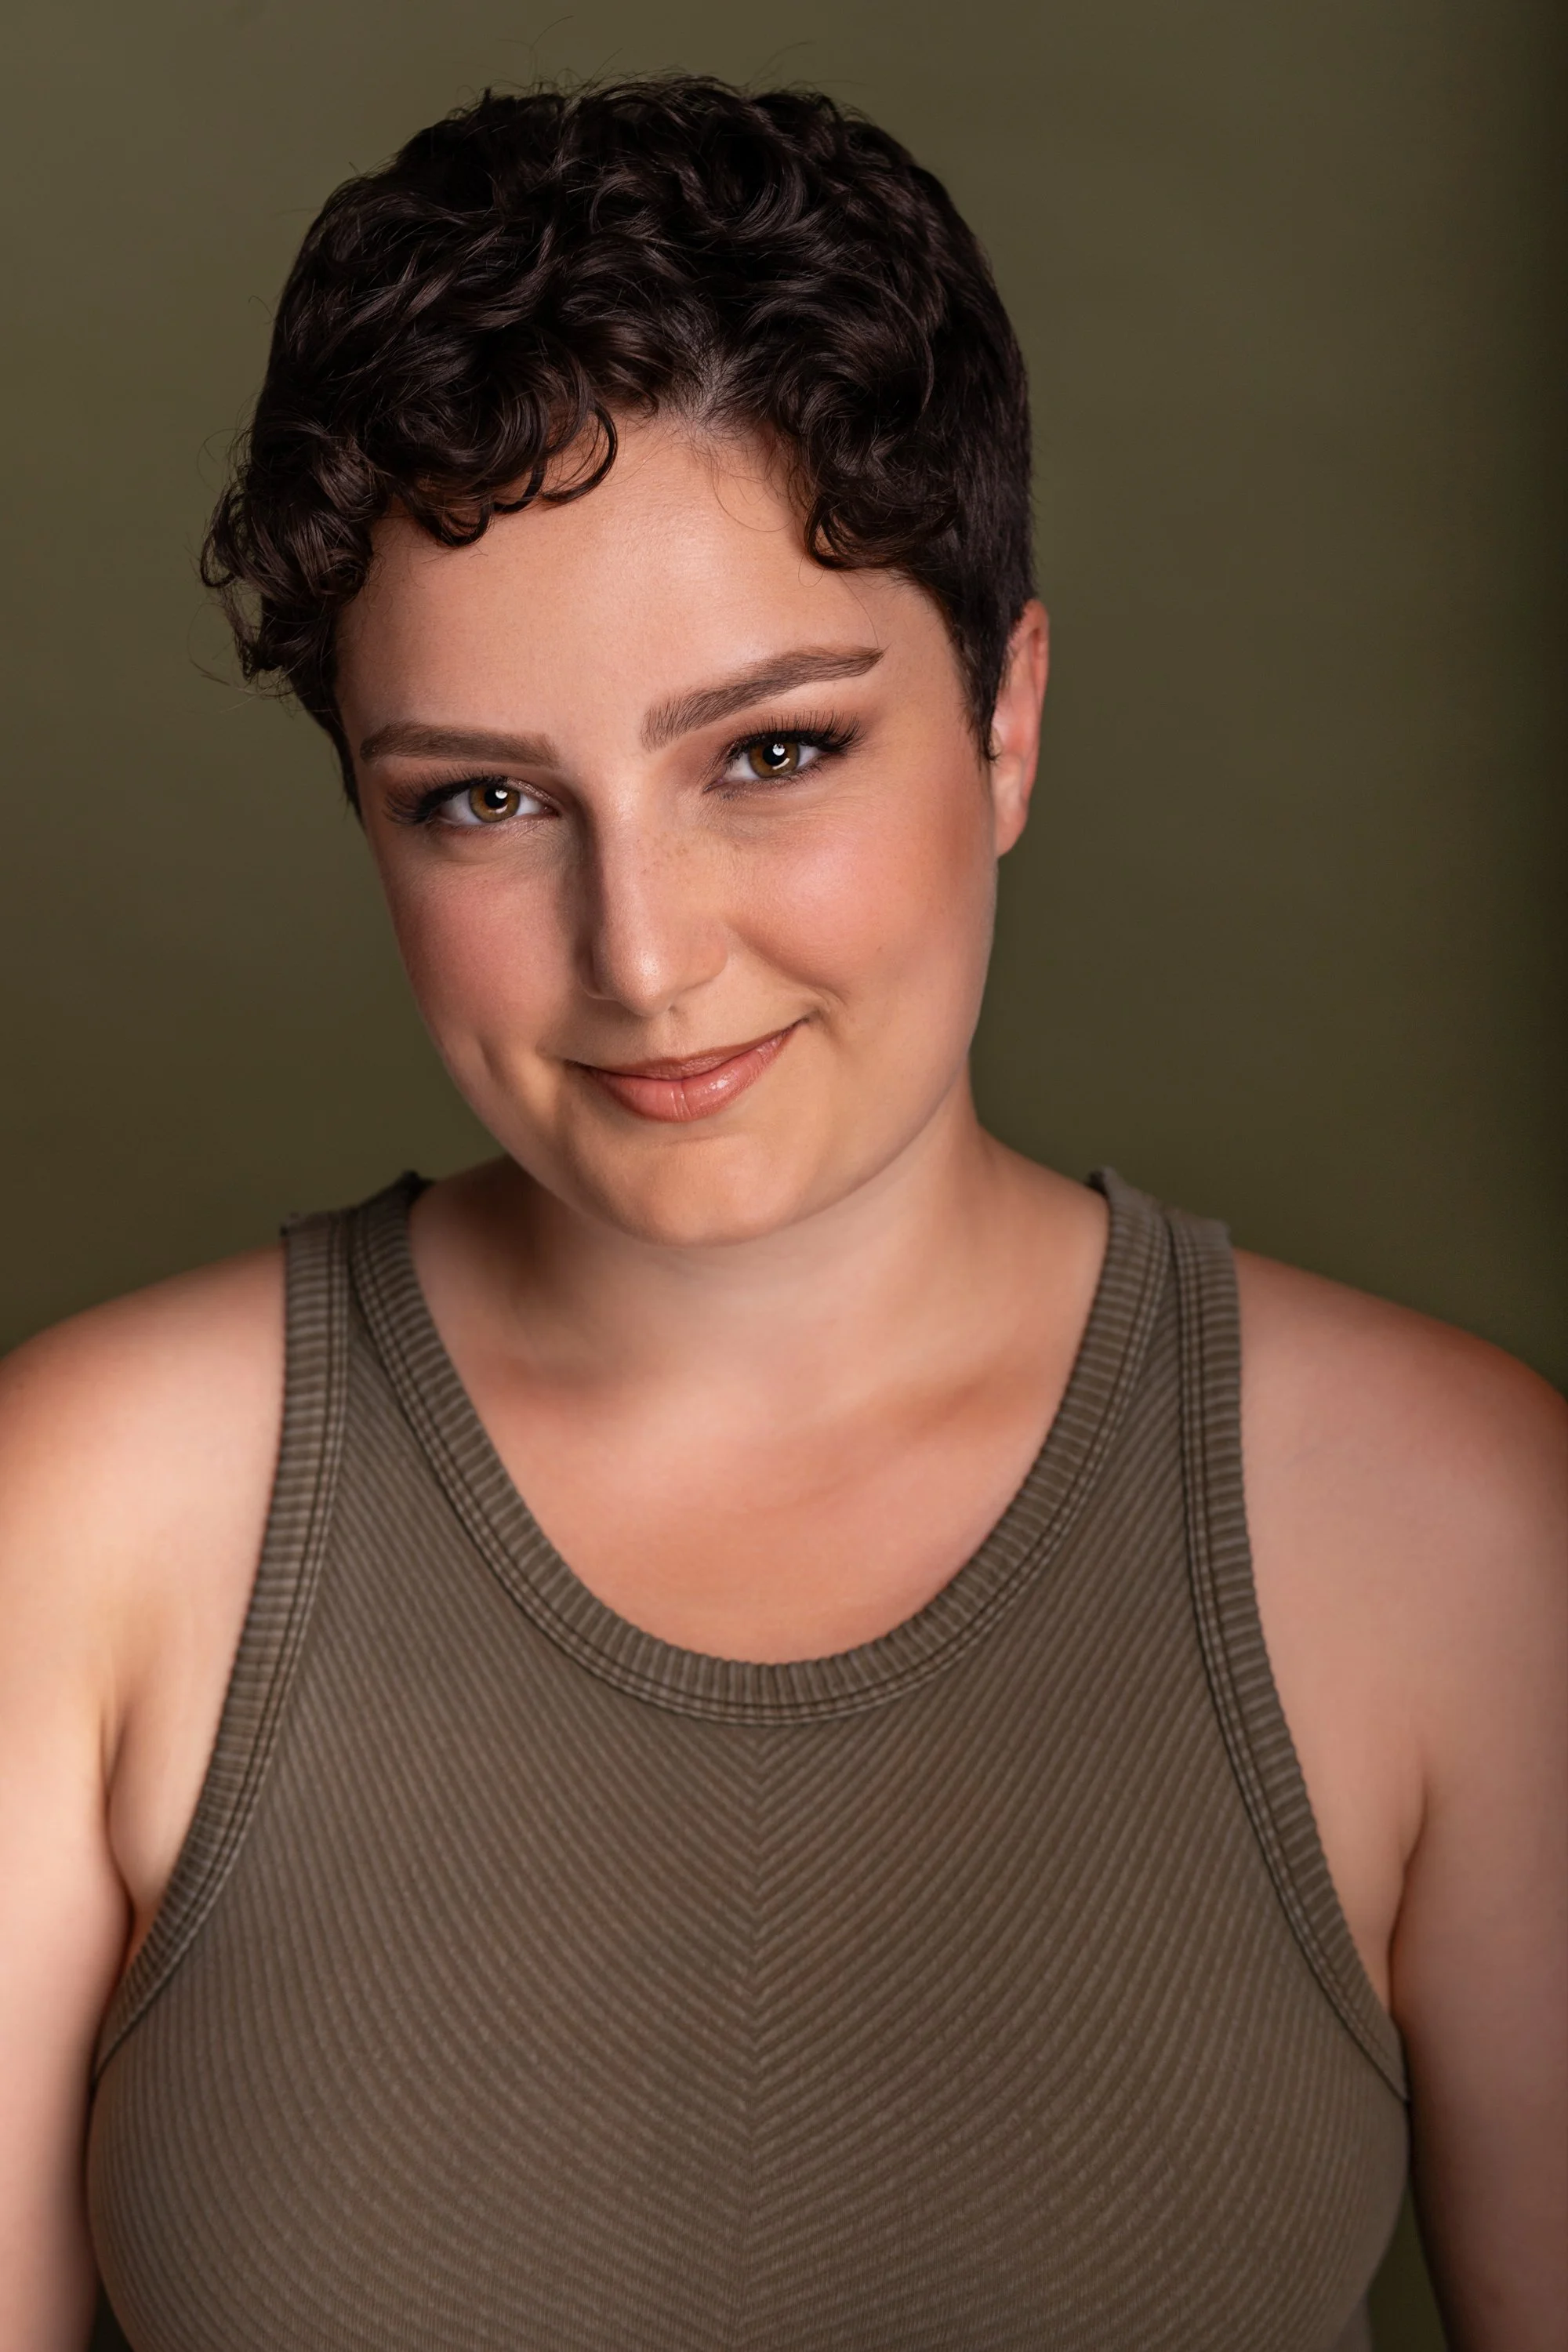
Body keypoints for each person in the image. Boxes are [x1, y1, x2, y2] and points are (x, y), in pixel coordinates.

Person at [0, 77, 1561, 2352]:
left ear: (1007, 720)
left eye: (772, 753)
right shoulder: (85, 1521)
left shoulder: (1461, 1542)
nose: (643, 957)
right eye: (483, 802)